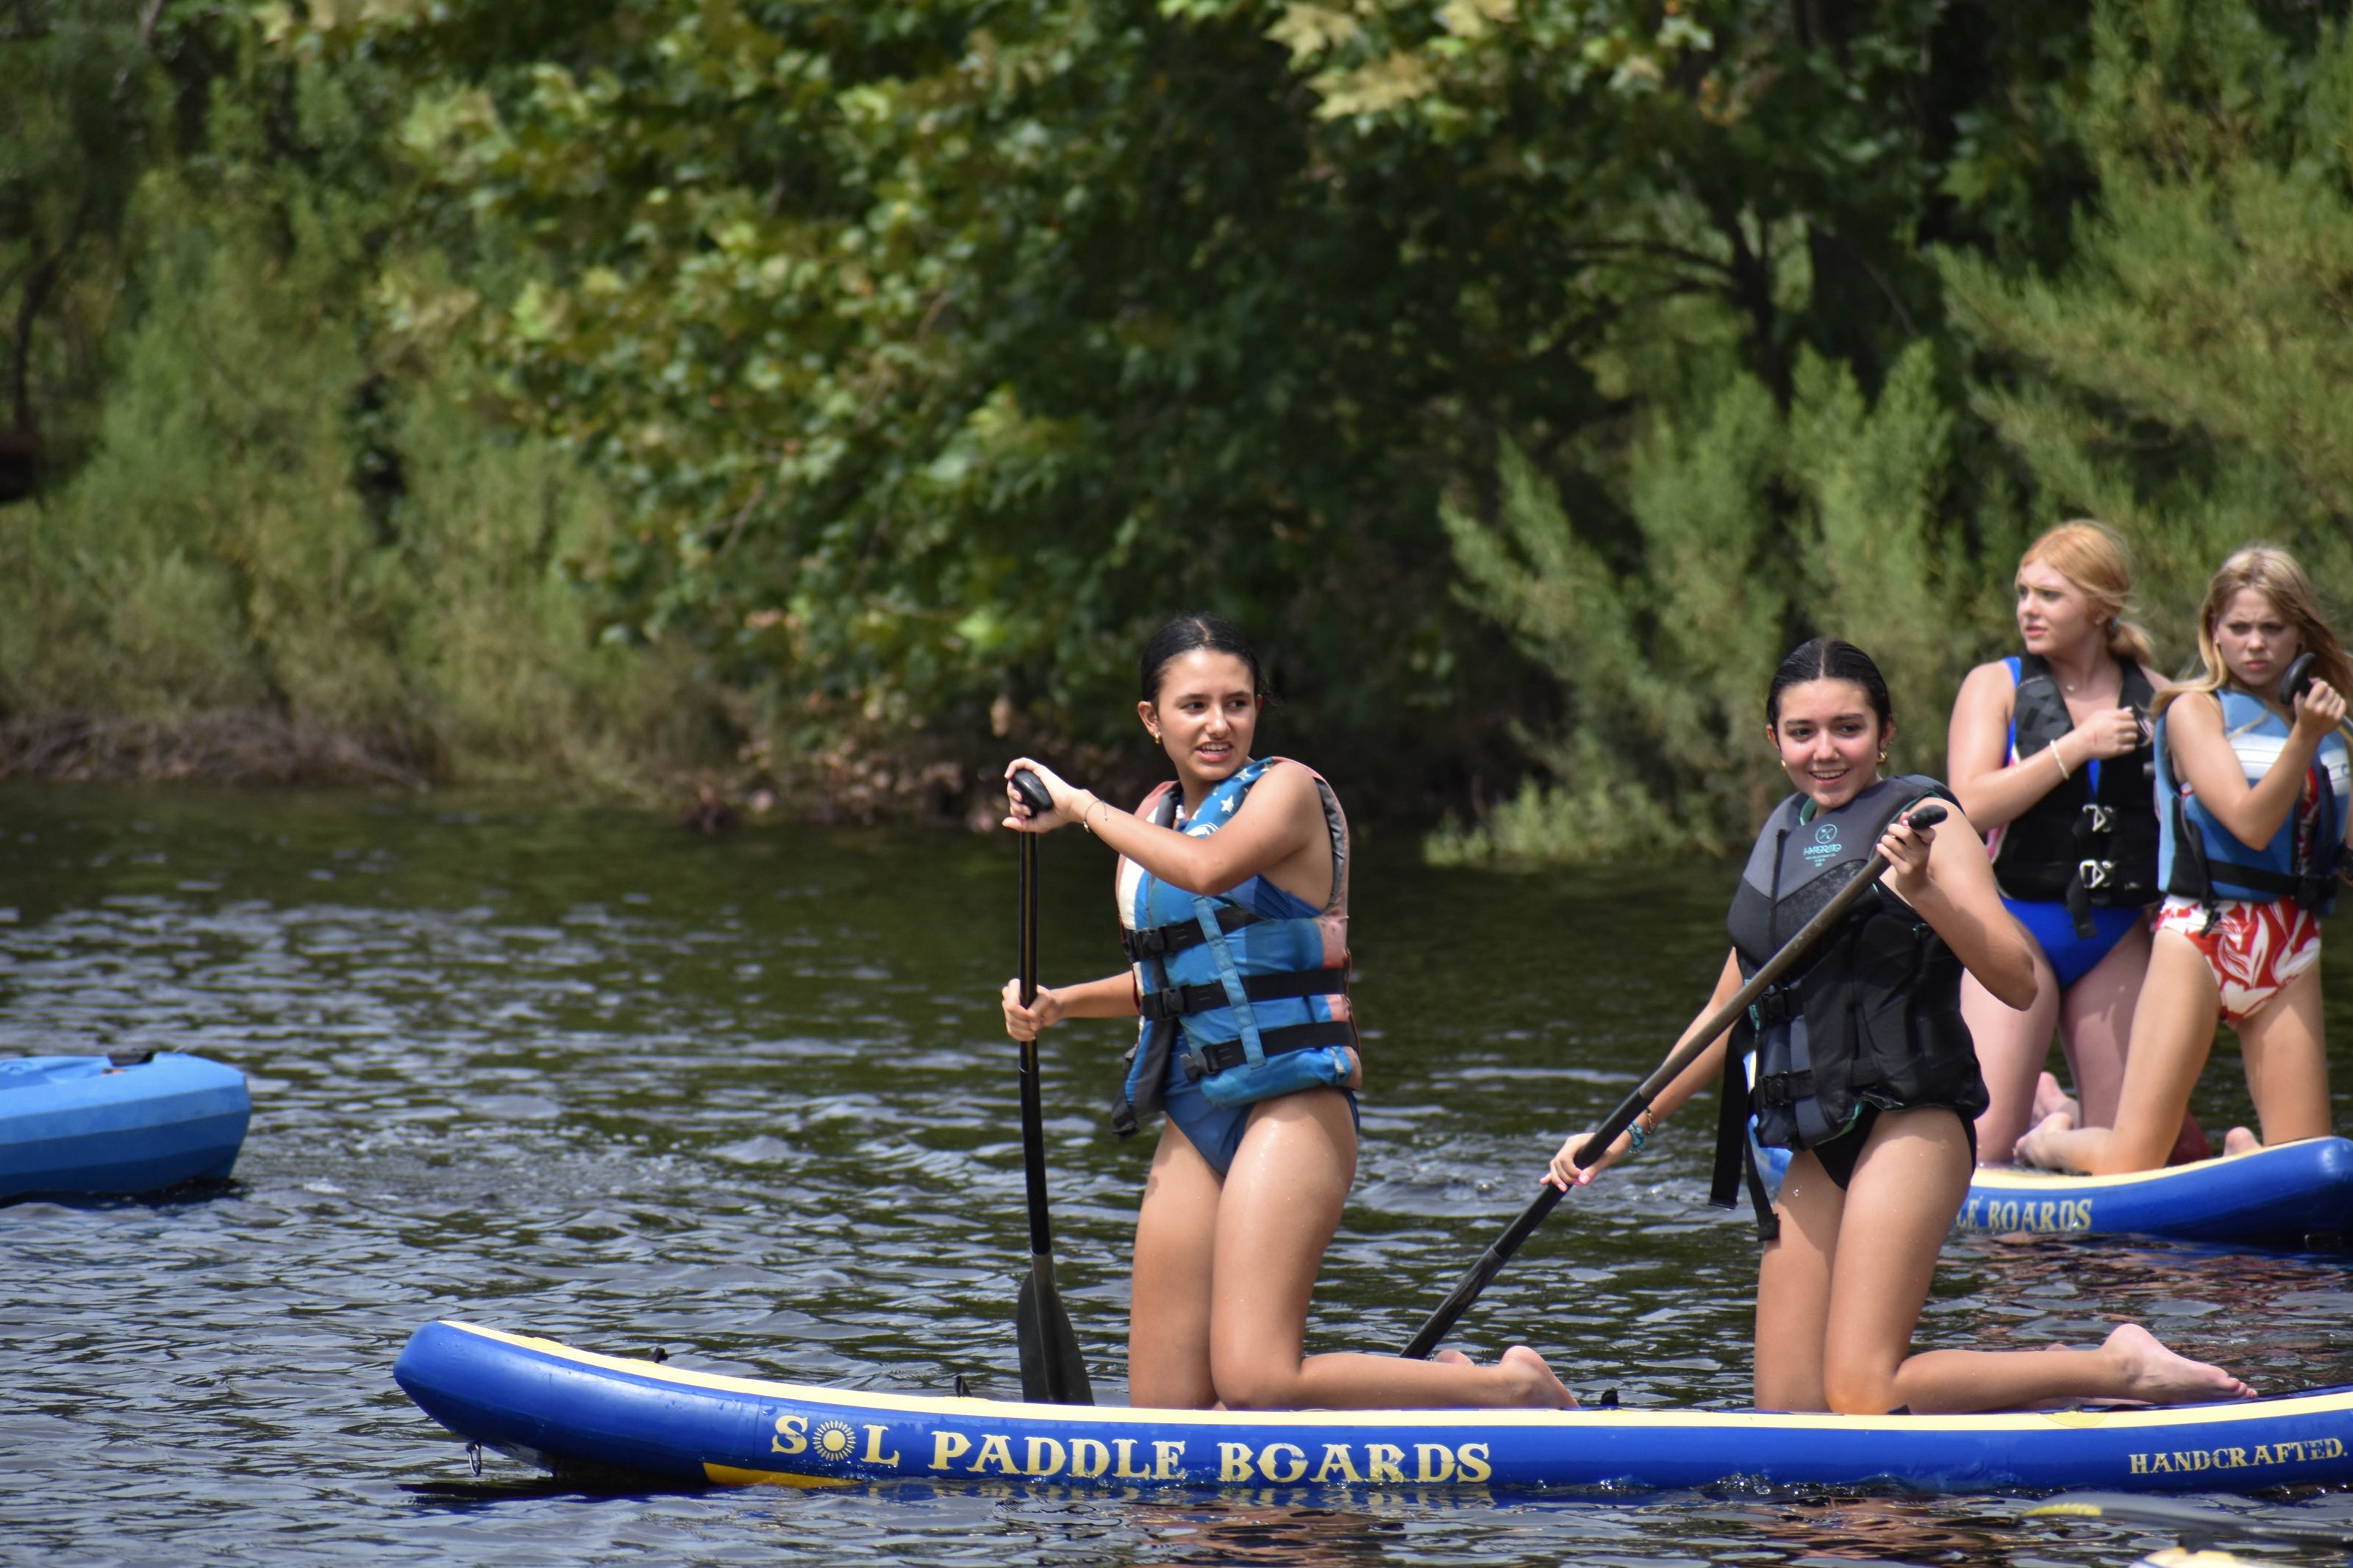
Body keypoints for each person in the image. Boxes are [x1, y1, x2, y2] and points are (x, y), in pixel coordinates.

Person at [1549, 637, 2252, 1414]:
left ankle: (2114, 1365)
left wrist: (1925, 894)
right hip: (1817, 1137)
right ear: (1774, 740)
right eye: (1802, 732)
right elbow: (1725, 1012)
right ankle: (1992, 1411)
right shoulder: (1781, 838)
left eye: (1847, 728)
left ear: (1884, 733)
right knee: (1787, 1408)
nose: (1824, 750)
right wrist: (1626, 1127)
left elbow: (2017, 981)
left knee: (1862, 1386)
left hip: (1911, 1122)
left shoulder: (1927, 821)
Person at [999, 613, 1572, 1411]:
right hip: (1196, 1105)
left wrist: (1079, 806)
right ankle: (1420, 1396)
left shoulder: (1287, 792)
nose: (1217, 724)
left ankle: (1509, 1385)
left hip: (1293, 1100)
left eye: (1236, 703)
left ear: (1258, 710)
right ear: (1151, 718)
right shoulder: (1155, 818)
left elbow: (1208, 870)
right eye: (1194, 705)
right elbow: (1176, 981)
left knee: (1256, 1379)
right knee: (1164, 1409)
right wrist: (1058, 1004)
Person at [2018, 547, 2352, 1175]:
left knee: (2308, 1164)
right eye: (2240, 627)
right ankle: (2051, 1137)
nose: (2256, 644)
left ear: (2301, 632)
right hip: (2201, 937)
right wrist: (2305, 737)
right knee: (2133, 1157)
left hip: (2289, 942)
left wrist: (2320, 732)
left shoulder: (2331, 720)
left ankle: (2243, 1153)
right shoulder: (2195, 711)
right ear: (2214, 630)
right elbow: (2250, 824)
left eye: (2273, 628)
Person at [1946, 521, 2204, 1161]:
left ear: (2100, 606)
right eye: (2023, 592)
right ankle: (2038, 1109)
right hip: (2016, 926)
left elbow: (2192, 819)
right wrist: (2077, 746)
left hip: (2115, 934)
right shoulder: (1995, 684)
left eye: (2049, 595)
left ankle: (2054, 1125)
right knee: (1983, 1146)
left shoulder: (2160, 697)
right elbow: (1968, 804)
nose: (2027, 609)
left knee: (2130, 1151)